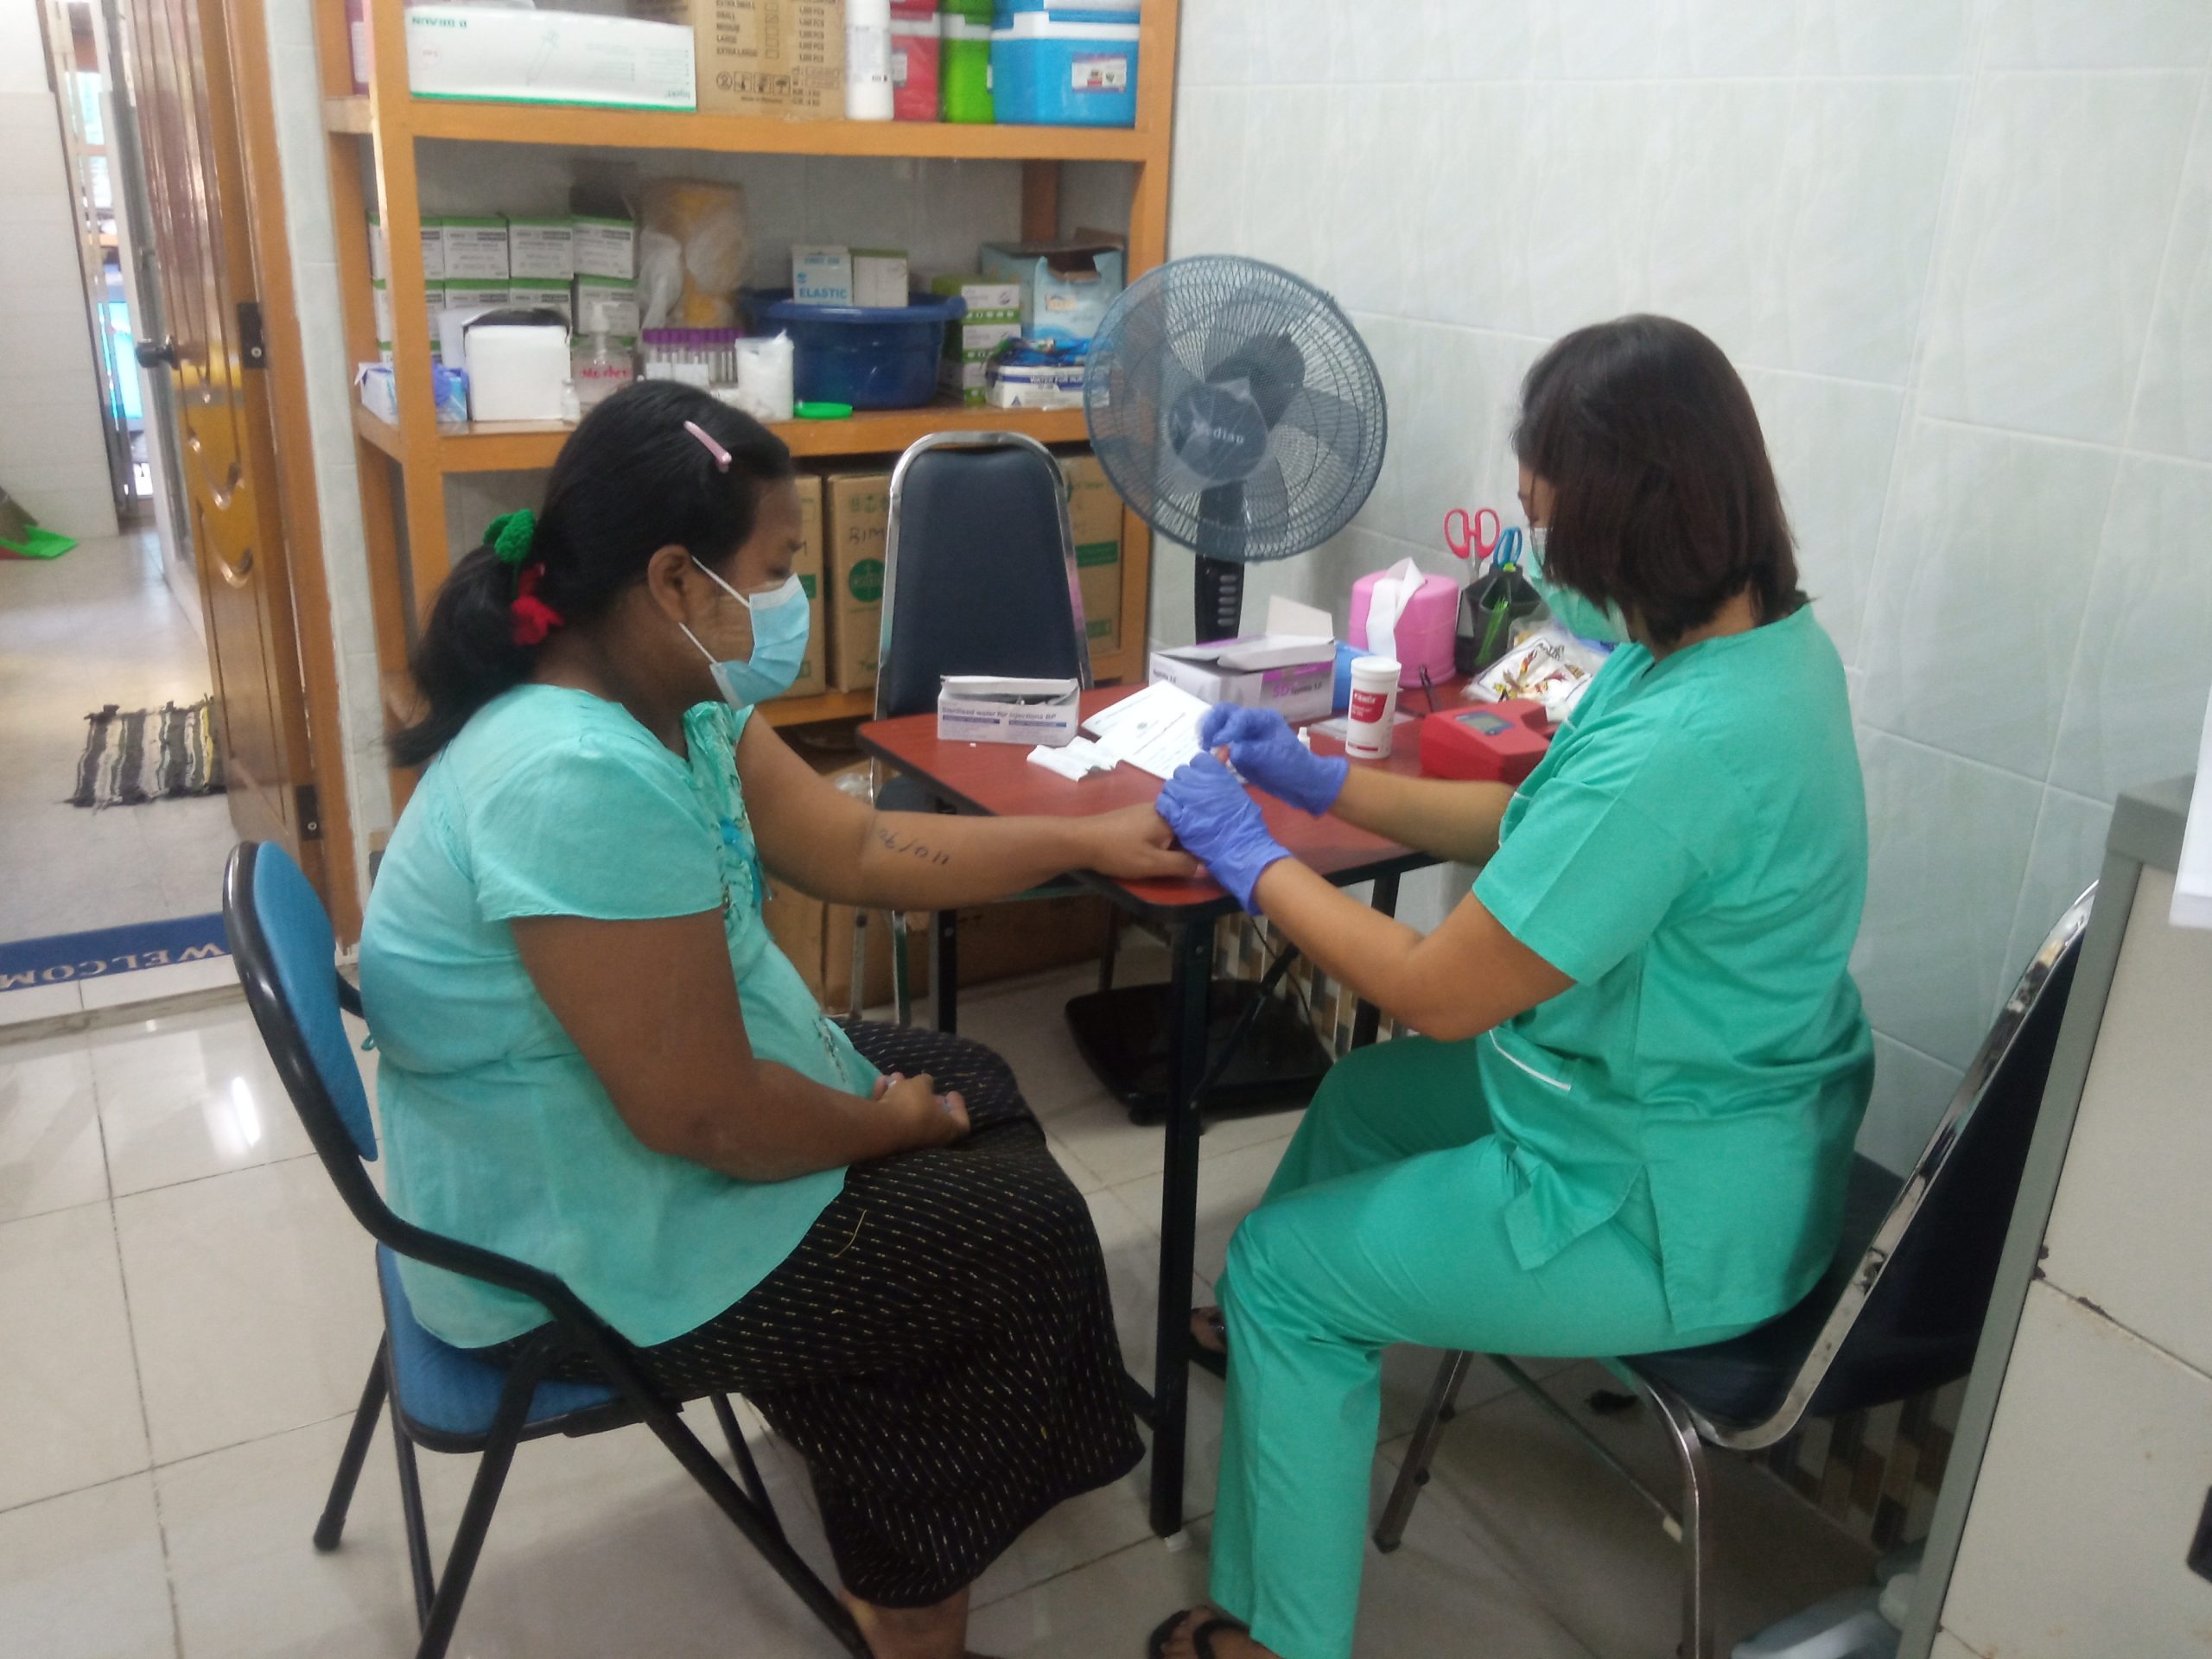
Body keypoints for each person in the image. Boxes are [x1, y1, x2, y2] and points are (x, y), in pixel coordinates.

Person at [357, 381, 1196, 1659]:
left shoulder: (667, 696)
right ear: (678, 581)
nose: (797, 600)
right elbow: (705, 1116)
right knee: (1020, 1233)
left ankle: (878, 1444)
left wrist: (1080, 840)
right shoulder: (570, 774)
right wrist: (884, 1128)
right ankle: (912, 1600)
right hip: (560, 1237)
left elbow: (854, 842)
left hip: (603, 1138)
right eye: (781, 566)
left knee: (976, 1078)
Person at [1144, 315, 1875, 1659]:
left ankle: (1277, 1626)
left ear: (1620, 523)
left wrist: (1250, 859)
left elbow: (1437, 989)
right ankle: (1284, 1379)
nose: (1529, 550)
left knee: (1289, 1270)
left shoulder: (1694, 744)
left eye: (1543, 520)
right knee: (1367, 1102)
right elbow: (1542, 831)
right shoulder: (1733, 652)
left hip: (1666, 1203)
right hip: (1697, 1113)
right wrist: (1323, 784)